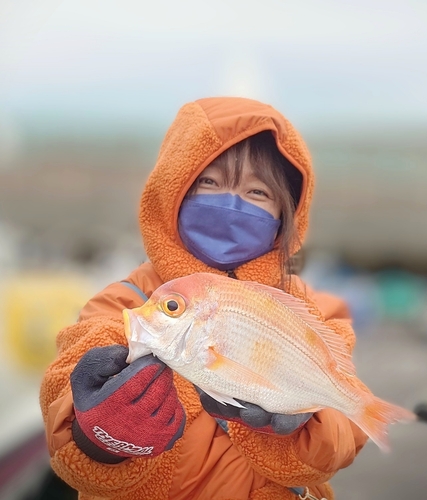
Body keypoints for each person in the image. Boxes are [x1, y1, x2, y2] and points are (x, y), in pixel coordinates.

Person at [40, 96, 368, 500]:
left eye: (257, 192)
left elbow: (341, 442)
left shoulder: (316, 312)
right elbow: (64, 406)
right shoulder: (123, 304)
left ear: (287, 216)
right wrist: (97, 434)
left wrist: (305, 424)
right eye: (209, 183)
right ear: (170, 195)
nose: (231, 205)